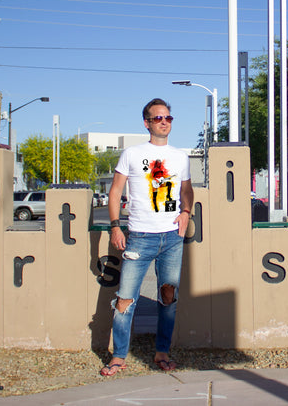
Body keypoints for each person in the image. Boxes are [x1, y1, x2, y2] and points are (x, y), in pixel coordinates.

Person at [100, 98, 194, 376]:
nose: (164, 122)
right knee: (125, 300)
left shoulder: (180, 156)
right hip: (140, 236)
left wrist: (186, 211)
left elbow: (187, 190)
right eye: (158, 118)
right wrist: (115, 225)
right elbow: (115, 191)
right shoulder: (131, 154)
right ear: (147, 123)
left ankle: (162, 351)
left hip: (172, 237)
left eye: (168, 118)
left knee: (168, 297)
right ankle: (118, 356)